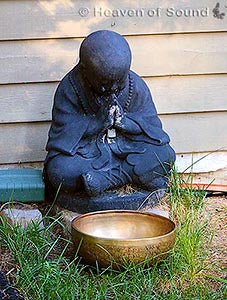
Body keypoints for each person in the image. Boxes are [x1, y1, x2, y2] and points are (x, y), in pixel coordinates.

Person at [44, 30, 176, 197]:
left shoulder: (136, 86)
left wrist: (125, 122)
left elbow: (154, 129)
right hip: (89, 153)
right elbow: (62, 137)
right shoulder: (70, 89)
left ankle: (105, 180)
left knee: (166, 154)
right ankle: (137, 176)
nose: (113, 88)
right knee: (59, 171)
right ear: (84, 70)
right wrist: (97, 123)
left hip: (128, 148)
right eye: (104, 84)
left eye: (119, 82)